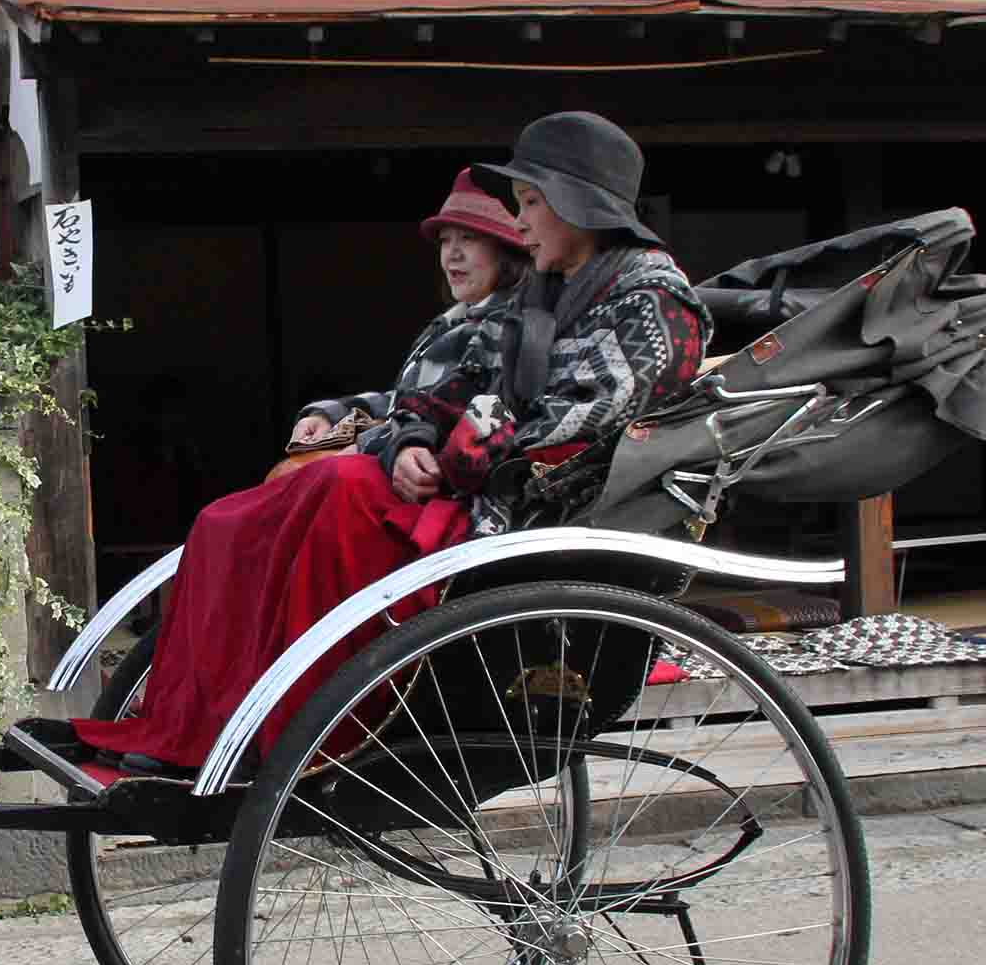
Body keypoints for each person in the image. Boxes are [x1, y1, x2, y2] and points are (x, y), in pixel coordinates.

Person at [75, 113, 709, 770]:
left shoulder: (655, 302)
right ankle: (196, 724)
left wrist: (447, 450)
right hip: (471, 484)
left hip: (532, 509)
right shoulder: (544, 294)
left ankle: (300, 733)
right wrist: (413, 434)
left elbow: (562, 418)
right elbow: (464, 386)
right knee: (235, 517)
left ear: (582, 206)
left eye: (528, 204)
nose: (518, 224)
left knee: (338, 490)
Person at [276, 169, 530, 472]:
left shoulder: (506, 327)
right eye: (445, 241)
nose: (452, 255)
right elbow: (403, 401)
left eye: (468, 238)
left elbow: (441, 417)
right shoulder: (444, 327)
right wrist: (329, 416)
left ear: (506, 252)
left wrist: (358, 447)